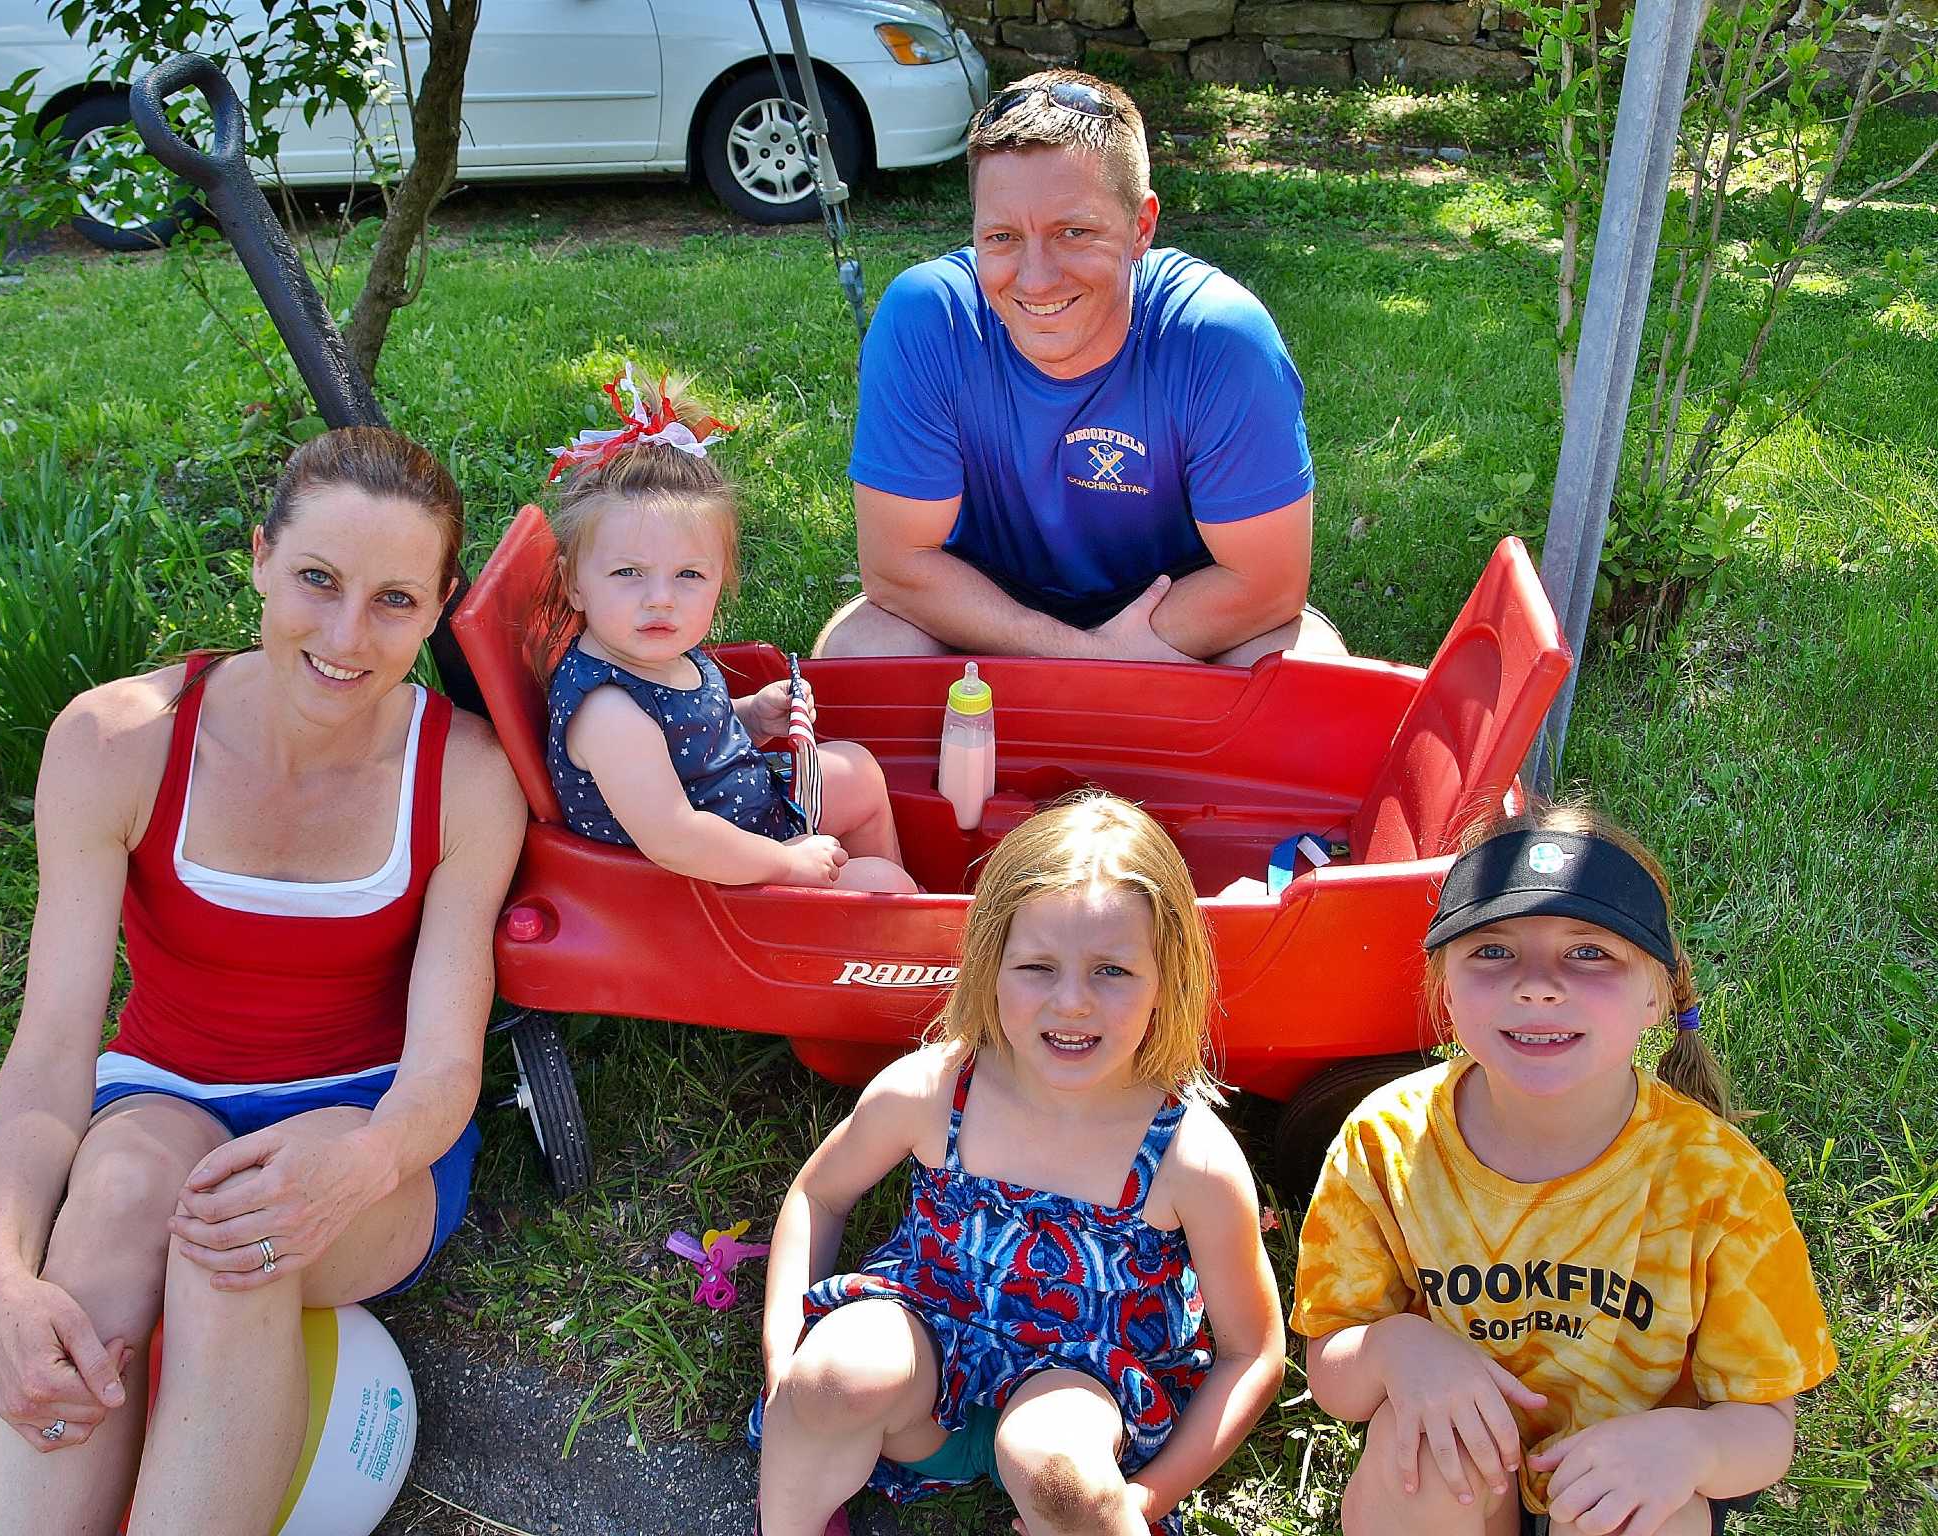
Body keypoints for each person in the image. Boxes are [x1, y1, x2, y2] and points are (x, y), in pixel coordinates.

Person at [0, 428, 527, 1534]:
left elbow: (445, 1069)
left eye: (394, 601)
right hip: (163, 1093)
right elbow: (49, 1052)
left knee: (237, 1246)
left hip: (371, 1121)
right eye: (317, 579)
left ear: (439, 603)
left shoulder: (462, 773)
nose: (345, 635)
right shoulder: (117, 742)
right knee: (118, 1204)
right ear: (261, 557)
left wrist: (360, 1158)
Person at [1292, 803, 1838, 1536]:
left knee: (1655, 1522)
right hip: (1459, 1459)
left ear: (1660, 994)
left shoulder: (1719, 1183)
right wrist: (1395, 1347)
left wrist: (1691, 1445)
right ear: (1443, 988)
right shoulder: (1384, 1143)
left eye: (1590, 953)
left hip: (1630, 1474)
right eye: (1492, 952)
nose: (1539, 985)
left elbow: (1766, 1426)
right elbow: (1334, 1370)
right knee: (1412, 1463)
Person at [752, 794, 1285, 1536]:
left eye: (1112, 971)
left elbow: (1253, 1352)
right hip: (920, 1365)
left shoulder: (1188, 1158)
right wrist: (786, 1365)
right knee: (832, 1377)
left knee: (1054, 1467)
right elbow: (818, 1195)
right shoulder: (935, 1091)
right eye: (1037, 966)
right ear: (990, 965)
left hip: (1080, 1394)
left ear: (1169, 977)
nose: (1072, 1003)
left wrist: (1145, 1497)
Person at [814, 68, 1342, 668]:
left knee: (1308, 670)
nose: (1035, 278)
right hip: (983, 610)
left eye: (1074, 232)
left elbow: (1263, 585)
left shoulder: (1217, 337)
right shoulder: (929, 319)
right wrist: (1078, 653)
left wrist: (1125, 653)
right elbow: (899, 570)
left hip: (1177, 614)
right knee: (864, 653)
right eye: (1003, 236)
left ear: (1141, 226)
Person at [539, 369, 915, 893]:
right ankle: (879, 924)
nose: (660, 597)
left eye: (688, 575)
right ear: (573, 585)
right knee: (882, 884)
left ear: (720, 580)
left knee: (857, 770)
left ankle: (868, 915)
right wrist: (788, 864)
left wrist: (752, 717)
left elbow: (691, 738)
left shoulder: (661, 652)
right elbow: (675, 836)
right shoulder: (608, 712)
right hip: (701, 886)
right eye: (628, 573)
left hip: (741, 816)